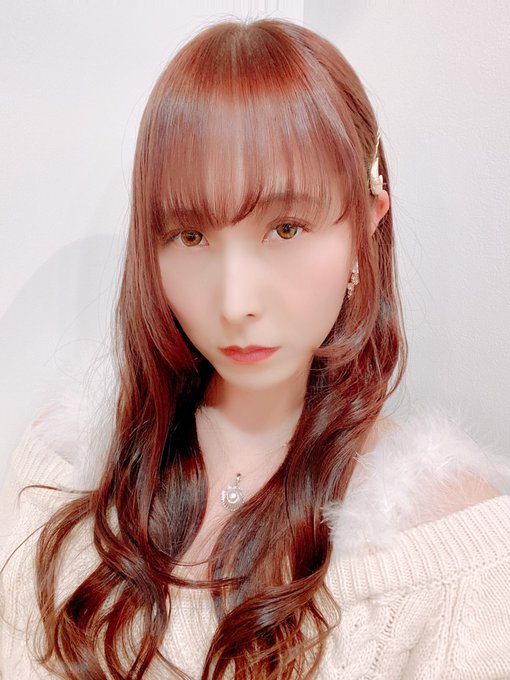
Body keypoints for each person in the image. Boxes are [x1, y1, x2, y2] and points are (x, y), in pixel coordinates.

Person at [1, 17, 510, 680]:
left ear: (366, 222)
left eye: (285, 228)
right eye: (191, 236)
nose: (236, 301)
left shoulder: (447, 548)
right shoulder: (67, 477)